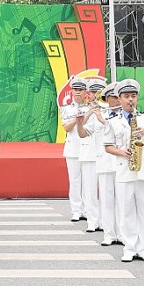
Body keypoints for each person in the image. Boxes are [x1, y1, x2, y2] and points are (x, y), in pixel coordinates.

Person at [104, 79, 144, 263]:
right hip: (124, 169)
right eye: (126, 96)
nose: (130, 100)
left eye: (133, 96)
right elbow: (107, 146)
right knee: (126, 211)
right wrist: (122, 152)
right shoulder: (113, 121)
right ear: (119, 99)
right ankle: (129, 248)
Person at [91, 82, 122, 247]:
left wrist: (103, 120)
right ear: (107, 98)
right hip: (104, 161)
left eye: (118, 97)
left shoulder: (127, 115)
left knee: (123, 201)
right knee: (106, 199)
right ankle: (109, 234)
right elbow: (84, 133)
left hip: (121, 162)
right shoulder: (99, 114)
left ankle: (123, 233)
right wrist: (83, 119)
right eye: (113, 97)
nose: (116, 101)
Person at [78, 76, 106, 233]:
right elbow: (80, 127)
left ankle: (104, 220)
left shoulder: (109, 108)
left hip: (105, 153)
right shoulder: (83, 108)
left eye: (99, 91)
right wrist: (90, 111)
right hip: (88, 152)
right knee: (89, 189)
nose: (96, 95)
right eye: (94, 92)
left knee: (105, 189)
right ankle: (92, 220)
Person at [60, 77, 87, 221]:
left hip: (88, 147)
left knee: (88, 181)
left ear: (85, 92)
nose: (78, 92)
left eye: (80, 90)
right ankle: (76, 209)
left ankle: (88, 209)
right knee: (75, 180)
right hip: (72, 147)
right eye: (75, 90)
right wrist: (76, 120)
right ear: (72, 91)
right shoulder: (66, 108)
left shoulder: (90, 107)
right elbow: (66, 127)